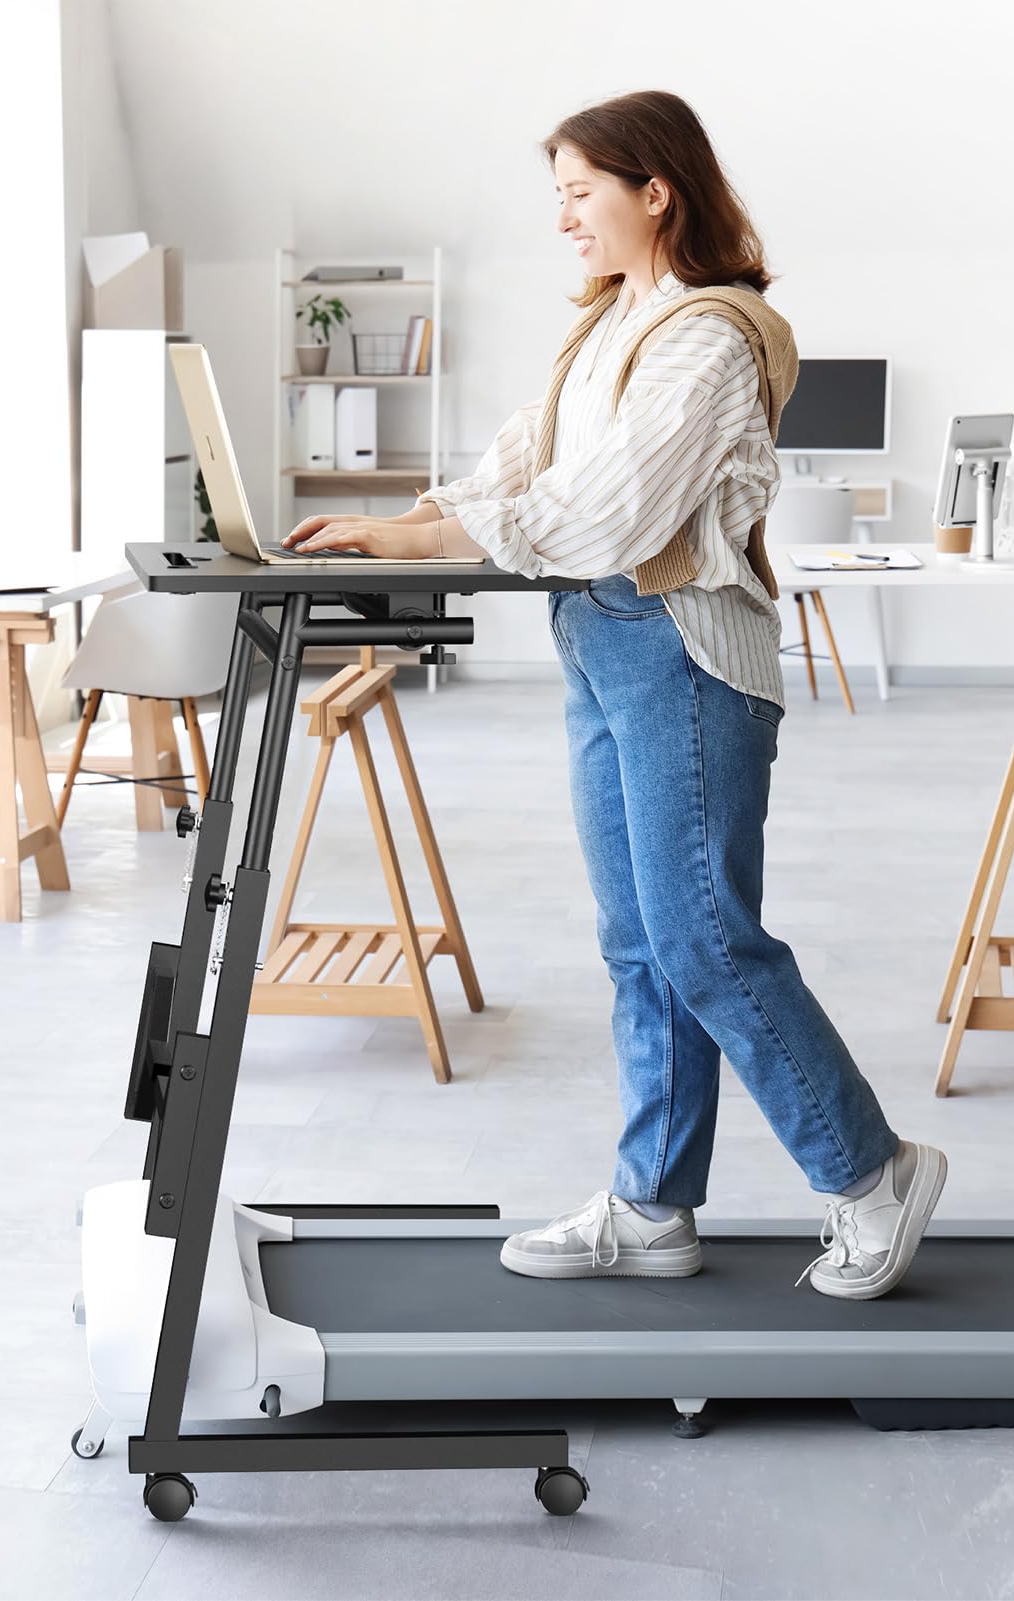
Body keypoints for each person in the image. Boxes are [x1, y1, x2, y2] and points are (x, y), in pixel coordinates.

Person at [281, 90, 946, 1301]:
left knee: (703, 938)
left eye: (579, 193)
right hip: (595, 635)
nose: (562, 220)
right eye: (557, 198)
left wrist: (420, 543)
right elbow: (518, 465)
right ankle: (651, 1204)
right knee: (637, 943)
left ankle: (871, 1172)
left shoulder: (710, 335)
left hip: (679, 648)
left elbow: (611, 512)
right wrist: (403, 522)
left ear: (656, 191)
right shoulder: (604, 328)